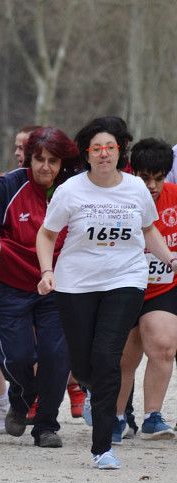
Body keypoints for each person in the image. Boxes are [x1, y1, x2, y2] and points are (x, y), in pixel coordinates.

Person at [38, 117, 176, 469]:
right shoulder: (71, 190)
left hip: (125, 280)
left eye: (110, 148)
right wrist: (47, 271)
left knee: (107, 357)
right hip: (75, 284)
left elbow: (149, 231)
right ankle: (87, 383)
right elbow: (47, 235)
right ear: (87, 154)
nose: (104, 155)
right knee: (85, 363)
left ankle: (103, 447)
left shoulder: (135, 189)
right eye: (96, 149)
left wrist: (170, 258)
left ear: (120, 152)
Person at [0, 127, 79, 446]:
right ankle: (21, 397)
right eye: (39, 159)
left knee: (55, 356)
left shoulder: (73, 190)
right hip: (12, 285)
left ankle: (46, 425)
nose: (45, 167)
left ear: (63, 163)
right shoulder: (8, 186)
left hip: (57, 285)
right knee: (17, 357)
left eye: (53, 161)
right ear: (28, 158)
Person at [113, 139, 177, 440]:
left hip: (163, 288)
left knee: (164, 345)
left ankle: (153, 416)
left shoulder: (175, 198)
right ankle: (115, 416)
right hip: (124, 286)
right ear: (132, 172)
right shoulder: (118, 200)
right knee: (126, 357)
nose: (152, 185)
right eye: (145, 177)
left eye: (159, 177)